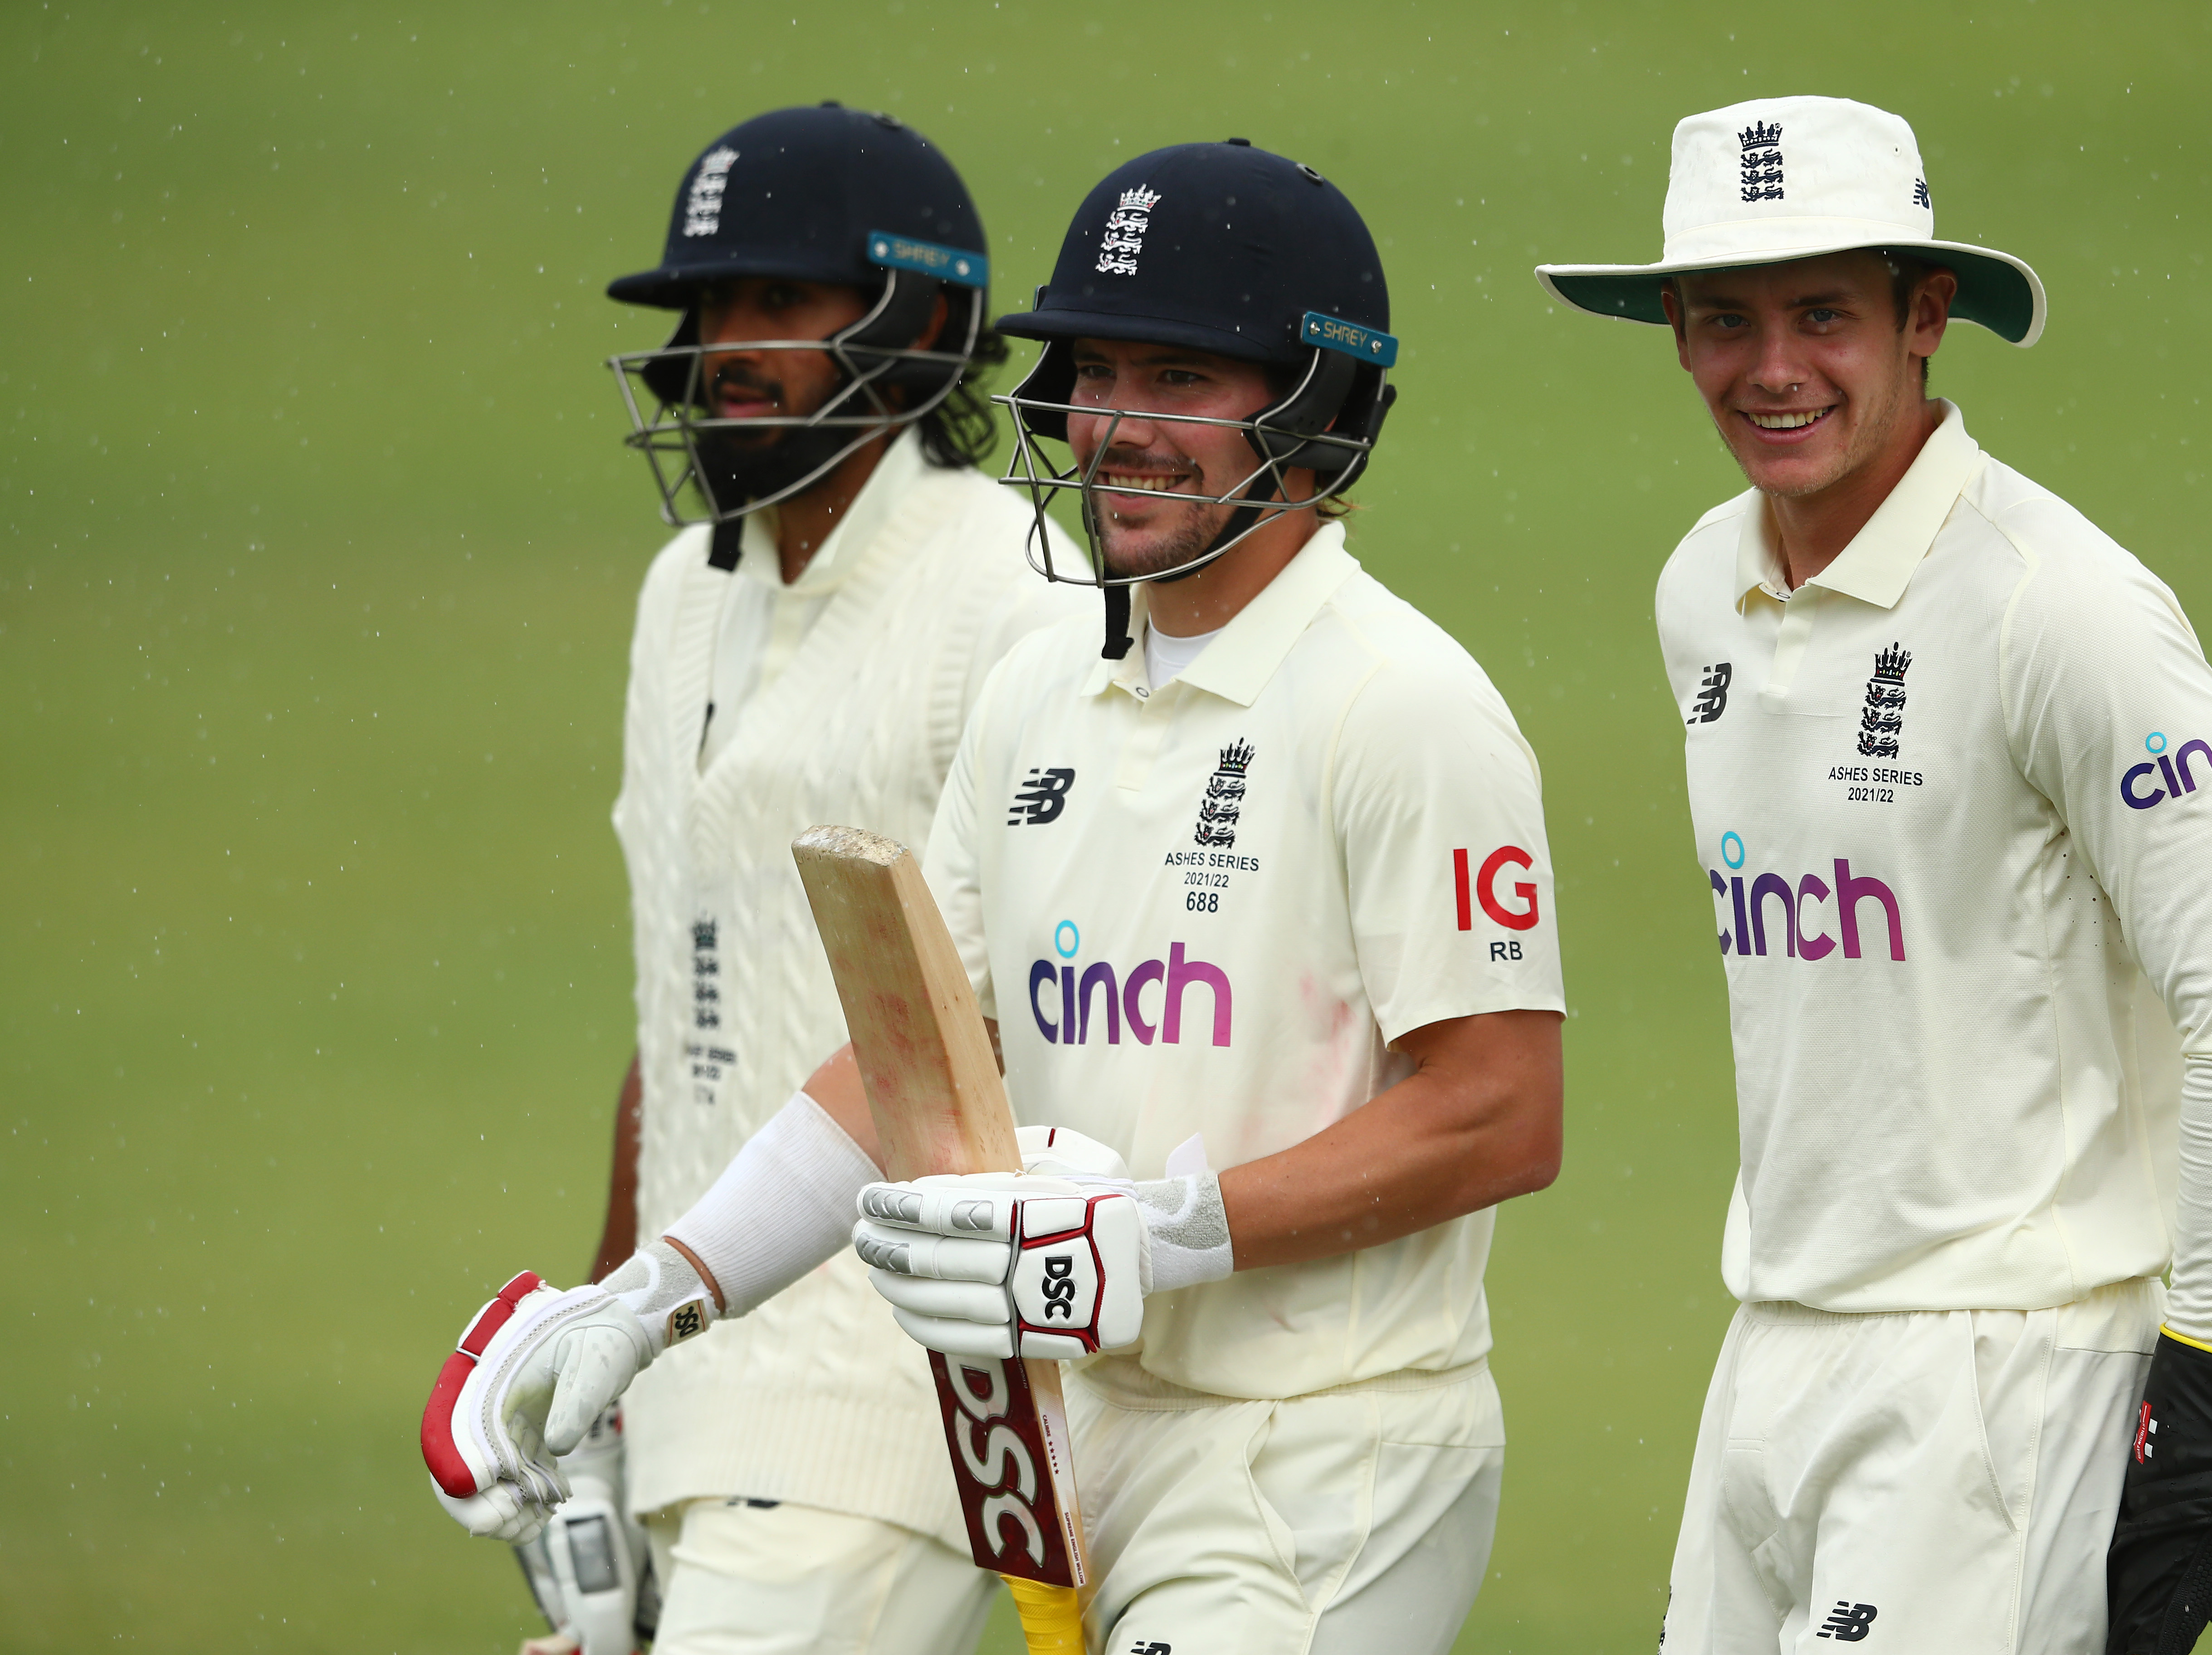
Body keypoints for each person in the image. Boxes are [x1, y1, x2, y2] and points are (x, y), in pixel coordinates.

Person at [422, 137, 1567, 1655]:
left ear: (1320, 407)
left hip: (1325, 1449)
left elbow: (1503, 1110)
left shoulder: (1403, 703)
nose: (1116, 428)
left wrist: (1162, 1236)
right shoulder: (1043, 691)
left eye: (1183, 380)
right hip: (1089, 1440)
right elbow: (916, 1050)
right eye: (1096, 371)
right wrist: (649, 1301)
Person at [1536, 97, 2212, 1653]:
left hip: (2005, 1377)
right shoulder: (1699, 584)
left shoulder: (2066, 610)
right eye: (1725, 320)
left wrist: (2204, 1419)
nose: (1772, 369)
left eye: (1823, 314)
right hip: (1772, 1339)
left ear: (1926, 320)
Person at [429, 102, 1086, 1655]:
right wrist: (599, 1348)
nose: (729, 345)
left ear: (926, 325)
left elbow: (1032, 1017)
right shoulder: (680, 602)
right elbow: (687, 1009)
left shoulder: (1013, 589)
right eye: (710, 309)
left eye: (779, 305)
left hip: (893, 1399)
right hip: (691, 1390)